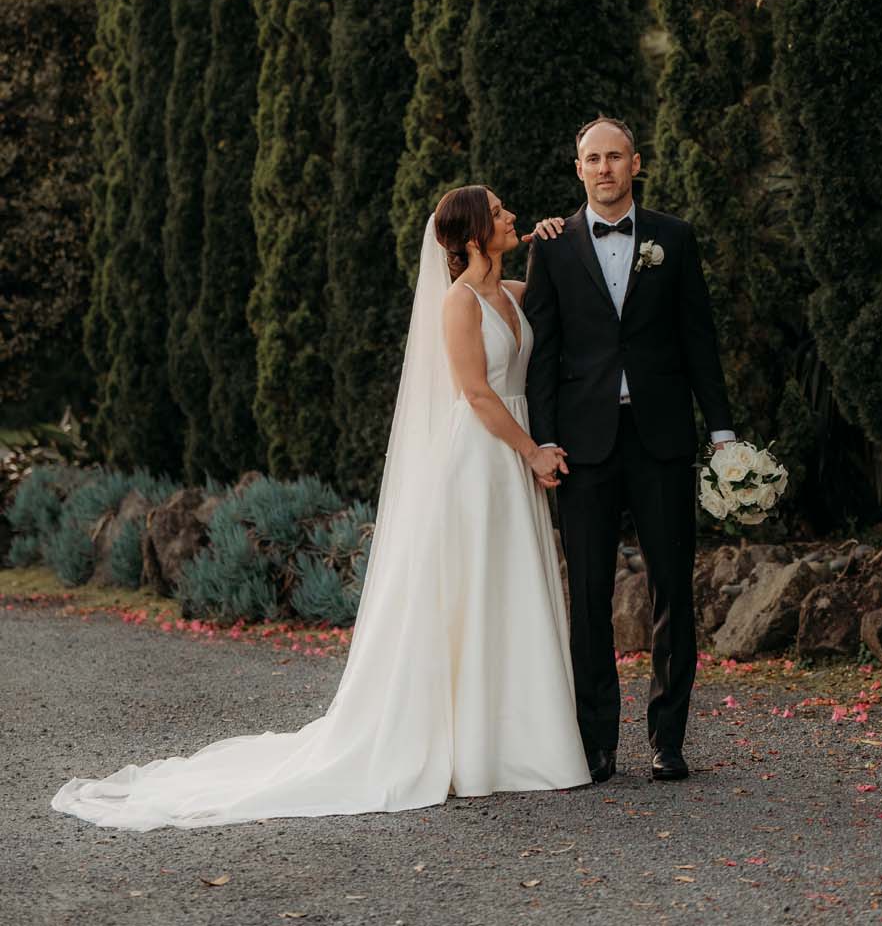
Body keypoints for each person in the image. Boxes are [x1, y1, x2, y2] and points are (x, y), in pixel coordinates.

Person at [50, 189, 590, 830]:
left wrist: (561, 234)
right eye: (498, 213)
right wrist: (531, 451)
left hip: (510, 452)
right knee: (471, 591)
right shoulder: (458, 303)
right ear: (472, 236)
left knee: (509, 591)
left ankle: (518, 740)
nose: (510, 217)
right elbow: (474, 392)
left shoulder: (511, 293)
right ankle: (472, 747)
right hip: (481, 457)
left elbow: (560, 296)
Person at [522, 117, 736, 785]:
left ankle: (667, 741)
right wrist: (544, 437)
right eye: (594, 158)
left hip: (662, 438)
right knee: (588, 597)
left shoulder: (674, 238)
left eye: (616, 156)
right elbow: (543, 353)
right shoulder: (552, 248)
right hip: (582, 448)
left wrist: (723, 433)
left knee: (673, 588)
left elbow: (698, 338)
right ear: (578, 167)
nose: (605, 167)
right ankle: (596, 745)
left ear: (636, 163)